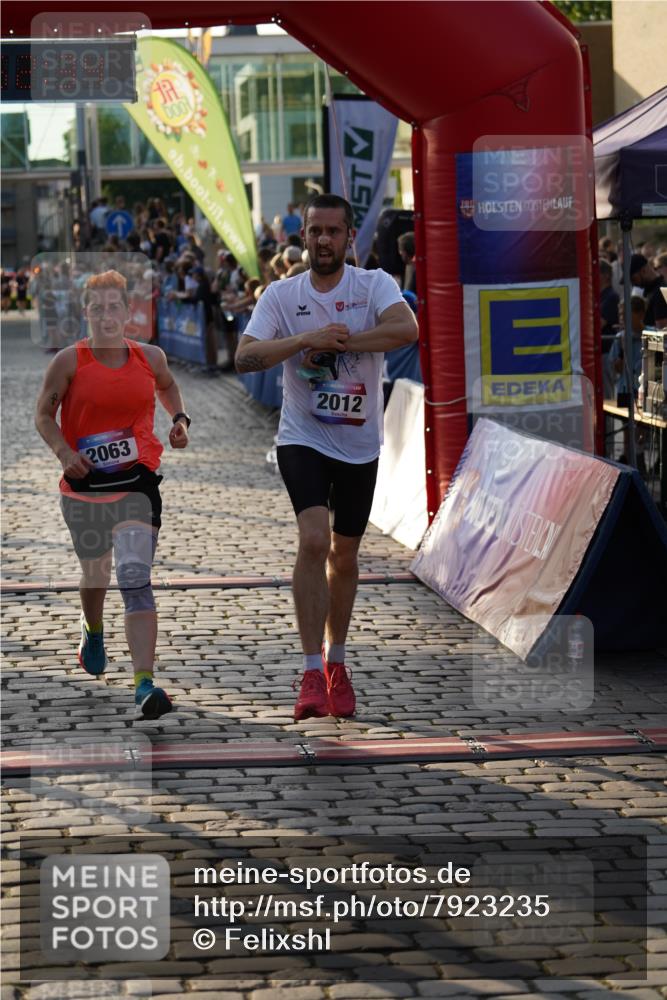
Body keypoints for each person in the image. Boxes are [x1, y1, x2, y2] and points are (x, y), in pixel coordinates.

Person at [236, 193, 418, 721]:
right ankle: (311, 670)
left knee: (345, 556)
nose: (323, 240)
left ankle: (337, 662)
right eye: (314, 231)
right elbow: (246, 357)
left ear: (348, 237)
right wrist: (303, 340)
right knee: (314, 540)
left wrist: (345, 342)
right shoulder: (281, 295)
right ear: (304, 237)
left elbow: (407, 329)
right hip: (303, 437)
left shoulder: (372, 285)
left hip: (359, 444)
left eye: (333, 231)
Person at [35, 269, 191, 720]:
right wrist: (65, 453)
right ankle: (93, 627)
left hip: (136, 483)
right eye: (97, 308)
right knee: (96, 574)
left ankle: (144, 683)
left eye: (114, 307)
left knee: (135, 577)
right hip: (84, 488)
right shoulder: (68, 361)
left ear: (128, 312)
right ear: (86, 312)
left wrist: (179, 420)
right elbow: (43, 415)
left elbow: (168, 385)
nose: (106, 316)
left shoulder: (149, 357)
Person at [629, 253, 667, 329]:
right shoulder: (651, 291)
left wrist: (638, 330)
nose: (633, 284)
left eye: (634, 279)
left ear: (643, 271)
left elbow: (663, 331)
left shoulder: (660, 292)